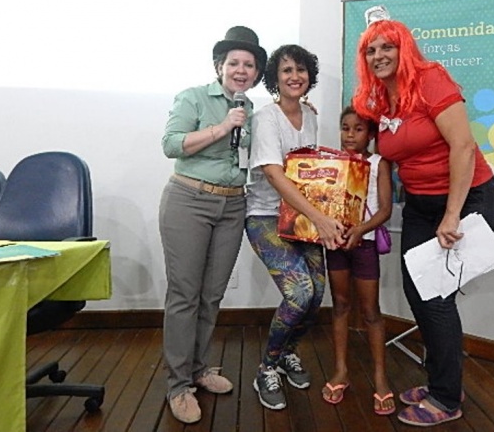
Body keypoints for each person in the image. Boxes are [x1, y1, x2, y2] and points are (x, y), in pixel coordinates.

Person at [352, 12, 494, 427]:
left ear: (405, 49)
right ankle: (441, 381)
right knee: (418, 293)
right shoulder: (379, 99)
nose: (379, 55)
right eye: (371, 50)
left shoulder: (430, 78)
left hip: (466, 199)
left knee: (435, 299)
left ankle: (447, 398)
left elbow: (463, 147)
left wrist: (452, 215)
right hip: (420, 205)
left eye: (387, 46)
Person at [159, 26, 267, 424]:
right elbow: (171, 144)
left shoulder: (252, 109)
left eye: (249, 65)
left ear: (256, 74)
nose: (241, 70)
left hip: (233, 205)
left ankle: (199, 368)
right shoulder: (194, 97)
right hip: (189, 200)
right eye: (234, 63)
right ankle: (178, 385)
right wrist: (222, 128)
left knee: (211, 295)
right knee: (185, 295)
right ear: (220, 66)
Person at [245, 44, 346, 411]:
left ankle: (287, 352)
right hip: (265, 216)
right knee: (299, 293)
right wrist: (319, 218)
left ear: (309, 76)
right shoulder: (266, 118)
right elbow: (274, 174)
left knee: (317, 295)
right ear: (275, 77)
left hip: (301, 217)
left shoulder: (310, 116)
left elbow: (310, 173)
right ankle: (266, 368)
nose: (294, 76)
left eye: (300, 70)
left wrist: (325, 213)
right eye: (286, 70)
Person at [321, 106, 395, 416]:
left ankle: (380, 377)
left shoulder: (379, 164)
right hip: (336, 243)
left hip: (365, 244)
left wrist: (361, 230)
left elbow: (385, 209)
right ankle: (340, 371)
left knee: (370, 311)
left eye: (358, 129)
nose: (350, 134)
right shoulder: (332, 163)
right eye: (345, 128)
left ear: (371, 134)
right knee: (340, 305)